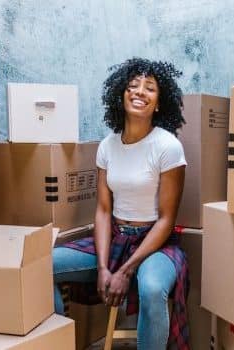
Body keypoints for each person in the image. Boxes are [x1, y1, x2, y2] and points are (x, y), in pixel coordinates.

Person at [53, 57, 190, 350]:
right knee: (42, 266)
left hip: (156, 243)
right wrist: (103, 268)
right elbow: (103, 209)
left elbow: (167, 219)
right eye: (133, 85)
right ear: (121, 94)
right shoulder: (108, 146)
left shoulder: (167, 147)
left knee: (153, 289)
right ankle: (54, 343)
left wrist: (126, 271)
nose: (140, 91)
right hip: (114, 238)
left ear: (159, 102)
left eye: (149, 88)